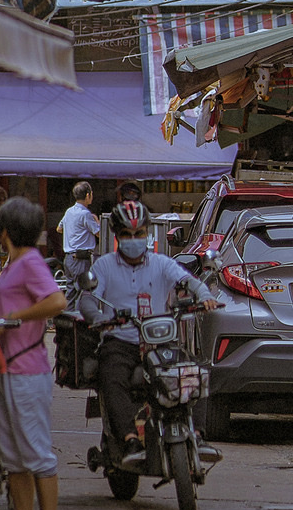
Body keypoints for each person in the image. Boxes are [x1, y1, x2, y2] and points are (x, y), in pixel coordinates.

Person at [82, 200, 216, 469]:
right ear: (118, 236)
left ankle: (198, 436)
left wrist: (204, 295)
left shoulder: (162, 264)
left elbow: (189, 282)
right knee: (111, 378)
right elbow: (87, 299)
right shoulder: (104, 266)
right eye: (127, 235)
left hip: (160, 341)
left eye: (139, 234)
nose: (134, 240)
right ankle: (130, 439)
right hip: (120, 341)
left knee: (194, 372)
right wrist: (98, 318)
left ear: (147, 234)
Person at [0, 196, 66, 510]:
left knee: (37, 453)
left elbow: (56, 302)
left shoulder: (29, 261)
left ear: (5, 231)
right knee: (14, 457)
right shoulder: (13, 263)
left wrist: (16, 315)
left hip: (26, 370)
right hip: (6, 368)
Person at [57, 180, 100, 288]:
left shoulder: (69, 211)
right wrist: (97, 221)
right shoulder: (85, 214)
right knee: (83, 292)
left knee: (71, 292)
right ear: (87, 195)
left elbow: (59, 229)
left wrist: (73, 232)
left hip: (69, 259)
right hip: (81, 259)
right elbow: (99, 233)